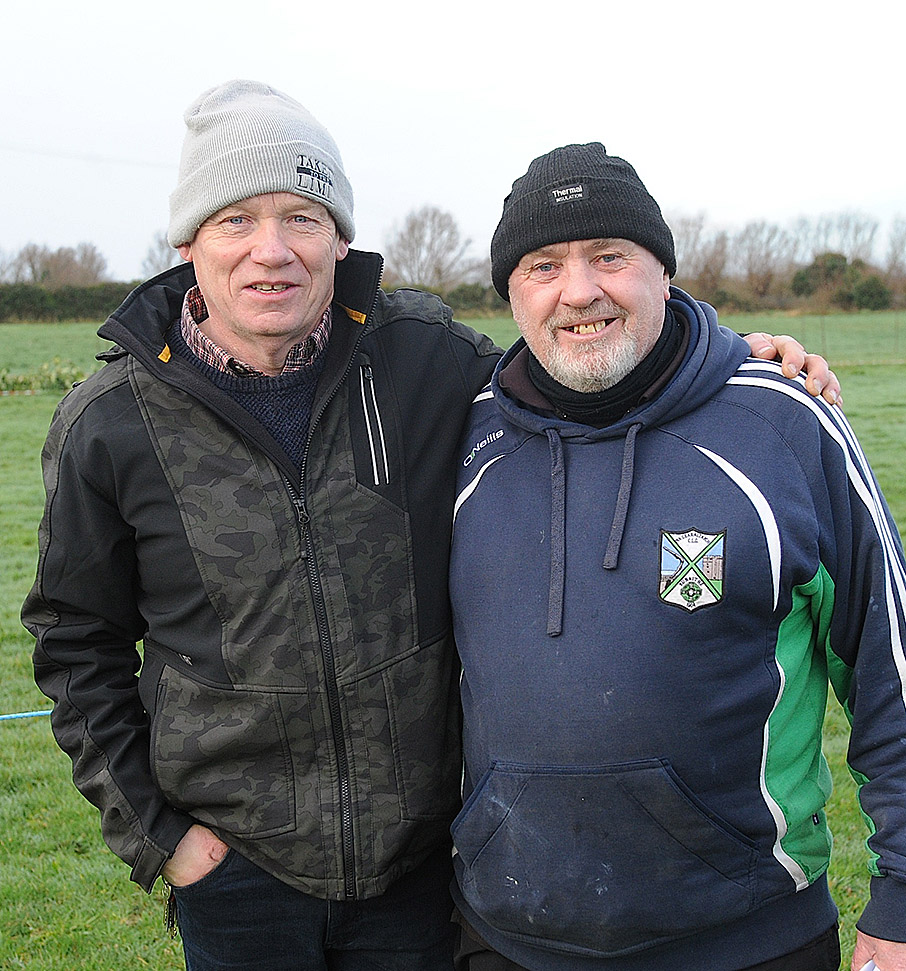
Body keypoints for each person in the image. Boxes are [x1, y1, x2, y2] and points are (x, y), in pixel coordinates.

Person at [21, 81, 836, 971]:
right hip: (238, 876)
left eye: (301, 216)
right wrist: (163, 839)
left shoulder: (424, 358)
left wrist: (721, 359)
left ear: (339, 236)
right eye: (234, 220)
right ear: (187, 242)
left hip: (417, 870)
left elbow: (577, 370)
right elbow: (75, 640)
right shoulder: (110, 420)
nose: (272, 251)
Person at [447, 142, 906, 971]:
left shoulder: (785, 424)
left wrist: (903, 900)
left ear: (664, 271)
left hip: (748, 941)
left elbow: (892, 675)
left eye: (610, 257)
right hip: (506, 940)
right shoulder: (461, 437)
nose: (579, 290)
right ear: (510, 294)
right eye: (544, 265)